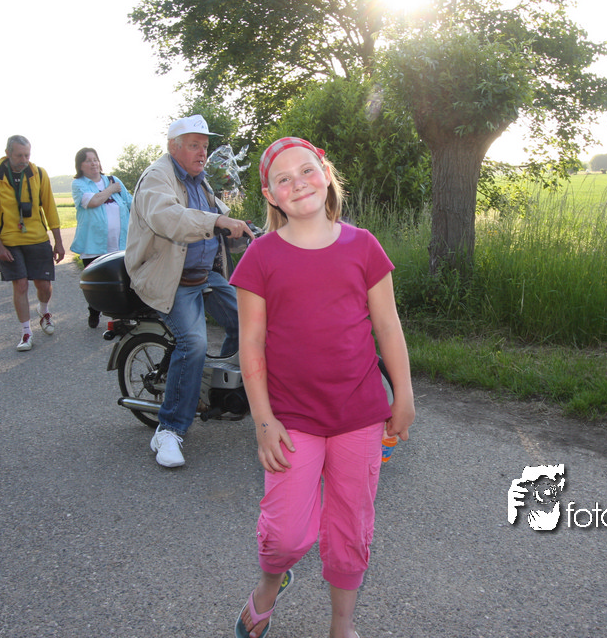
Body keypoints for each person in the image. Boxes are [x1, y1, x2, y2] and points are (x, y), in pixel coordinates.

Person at [229, 137, 415, 638]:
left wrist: (403, 393)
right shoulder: (261, 257)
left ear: (326, 173)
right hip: (291, 419)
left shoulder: (364, 245)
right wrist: (263, 422)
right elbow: (251, 345)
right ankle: (270, 584)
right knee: (286, 536)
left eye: (307, 170)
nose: (298, 184)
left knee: (351, 529)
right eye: (283, 179)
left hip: (360, 414)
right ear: (270, 195)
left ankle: (342, 625)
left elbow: (388, 326)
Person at [124, 115, 254, 468]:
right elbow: (170, 218)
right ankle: (169, 430)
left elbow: (217, 221)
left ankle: (223, 390)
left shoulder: (200, 181)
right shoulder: (157, 177)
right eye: (194, 145)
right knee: (193, 342)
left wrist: (246, 231)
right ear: (173, 147)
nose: (202, 153)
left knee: (250, 321)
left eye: (205, 146)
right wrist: (216, 221)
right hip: (169, 277)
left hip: (204, 274)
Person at [0, 135, 65, 351]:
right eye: (19, 155)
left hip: (37, 238)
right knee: (21, 284)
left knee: (43, 285)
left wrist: (58, 242)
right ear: (7, 153)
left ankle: (44, 311)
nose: (24, 160)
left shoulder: (39, 174)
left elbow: (50, 208)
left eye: (27, 155)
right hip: (9, 242)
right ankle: (26, 332)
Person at [70, 147, 133, 328]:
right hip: (93, 245)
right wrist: (111, 189)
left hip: (120, 244)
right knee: (97, 284)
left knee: (121, 283)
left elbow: (131, 203)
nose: (93, 164)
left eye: (95, 159)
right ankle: (94, 310)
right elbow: (93, 202)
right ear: (80, 165)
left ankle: (121, 319)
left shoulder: (114, 180)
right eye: (88, 160)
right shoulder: (79, 184)